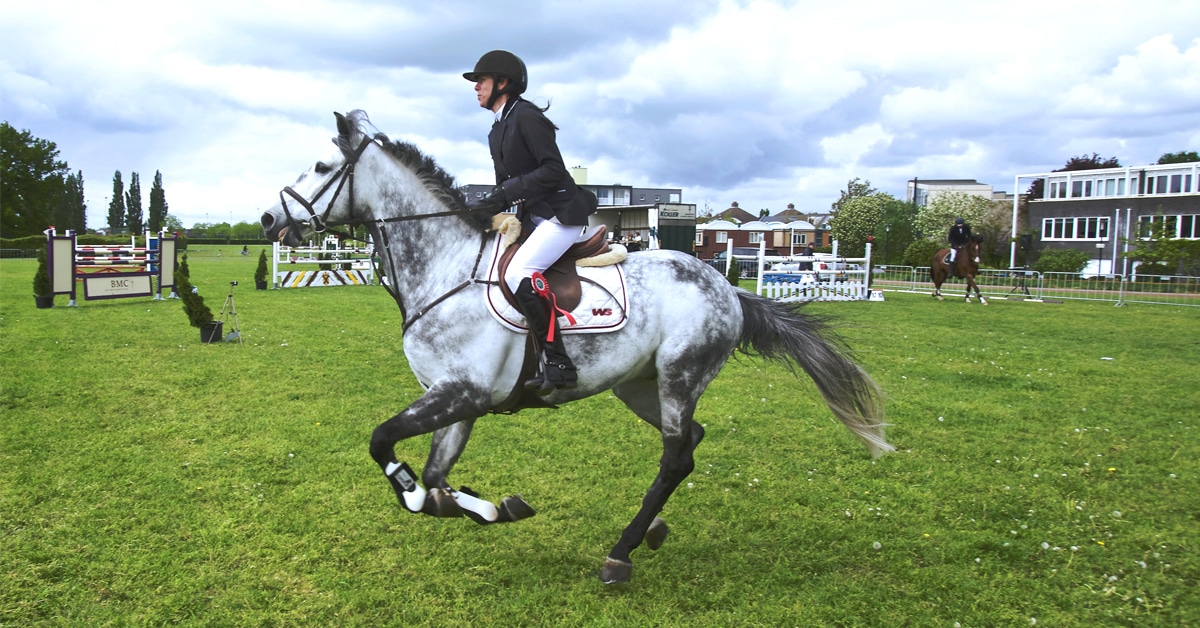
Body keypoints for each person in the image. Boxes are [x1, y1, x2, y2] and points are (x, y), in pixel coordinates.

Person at [464, 50, 598, 395]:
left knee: (517, 273)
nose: (476, 87)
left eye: (481, 80)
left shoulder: (526, 117)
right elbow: (505, 188)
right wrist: (484, 208)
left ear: (503, 83)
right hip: (533, 218)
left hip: (561, 214)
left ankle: (558, 362)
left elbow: (553, 170)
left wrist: (504, 192)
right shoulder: (497, 130)